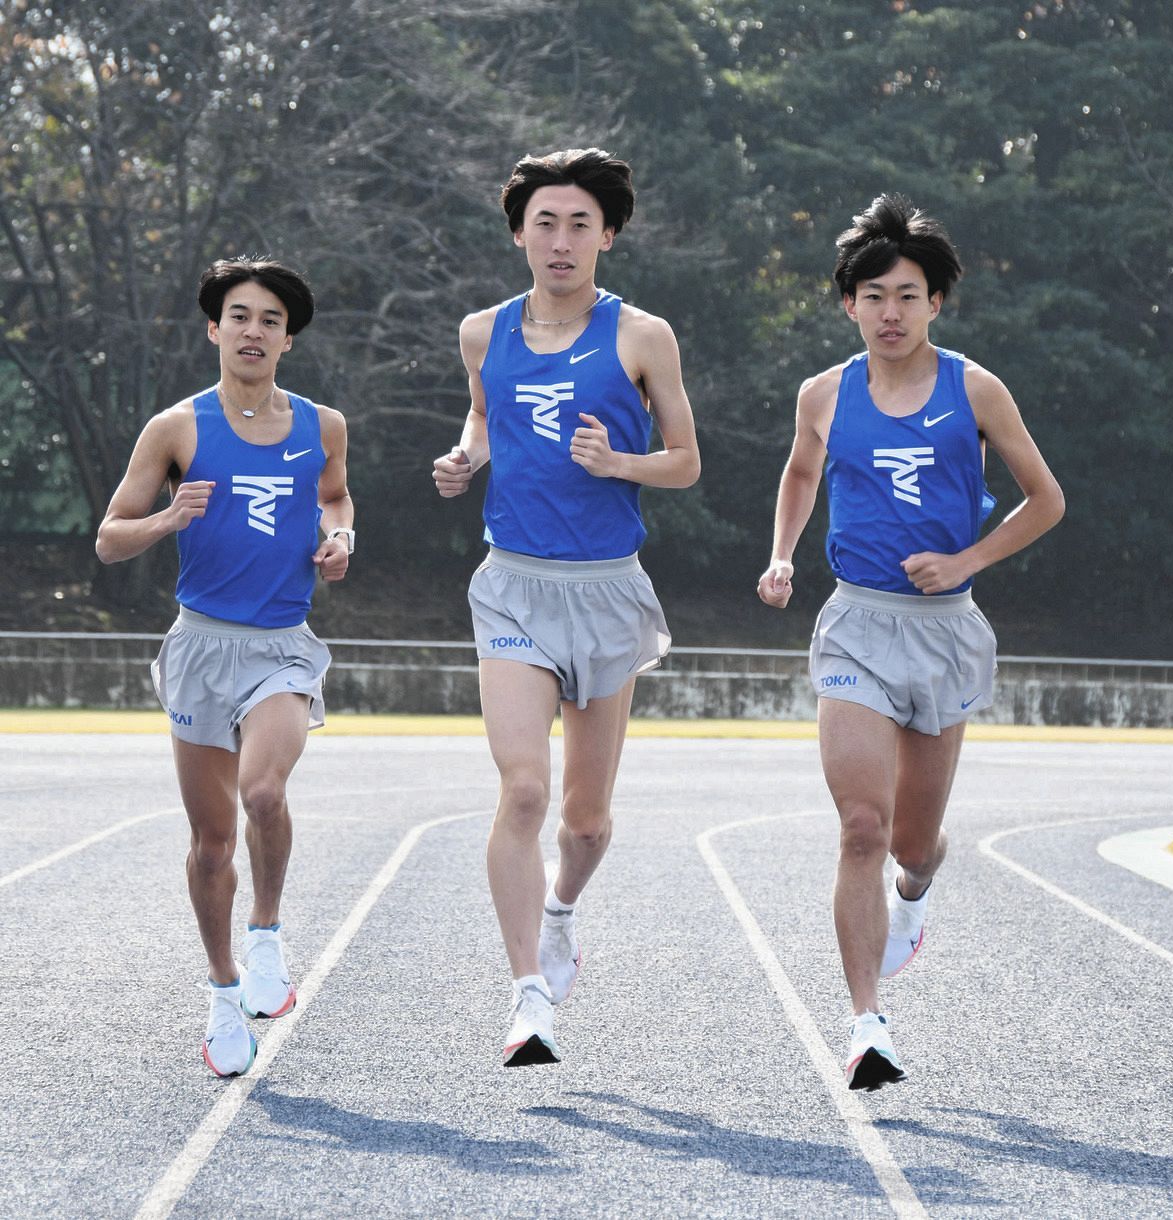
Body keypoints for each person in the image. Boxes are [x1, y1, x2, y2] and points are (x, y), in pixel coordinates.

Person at [757, 195, 1064, 1091]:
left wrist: (967, 557)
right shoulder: (824, 393)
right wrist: (781, 555)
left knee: (912, 845)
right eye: (873, 295)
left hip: (946, 632)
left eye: (908, 295)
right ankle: (865, 1026)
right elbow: (801, 471)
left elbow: (1045, 499)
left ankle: (915, 895)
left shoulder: (975, 388)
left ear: (936, 303)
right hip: (856, 621)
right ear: (848, 303)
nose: (889, 312)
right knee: (861, 825)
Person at [433, 148, 700, 1067]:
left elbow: (686, 461)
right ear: (518, 231)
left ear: (608, 236)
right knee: (523, 790)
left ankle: (559, 910)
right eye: (544, 221)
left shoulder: (642, 337)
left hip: (606, 588)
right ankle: (528, 998)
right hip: (511, 581)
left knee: (583, 822)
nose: (560, 239)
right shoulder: (482, 332)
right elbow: (481, 417)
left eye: (580, 223)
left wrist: (618, 464)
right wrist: (465, 457)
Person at [96, 257, 354, 1078]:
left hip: (281, 641)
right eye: (238, 316)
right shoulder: (177, 429)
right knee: (212, 844)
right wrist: (169, 516)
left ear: (288, 338)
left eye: (270, 320)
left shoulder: (324, 426)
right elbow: (108, 538)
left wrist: (341, 537)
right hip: (201, 646)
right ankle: (221, 991)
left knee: (264, 792)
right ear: (215, 329)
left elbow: (338, 500)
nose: (253, 330)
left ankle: (268, 934)